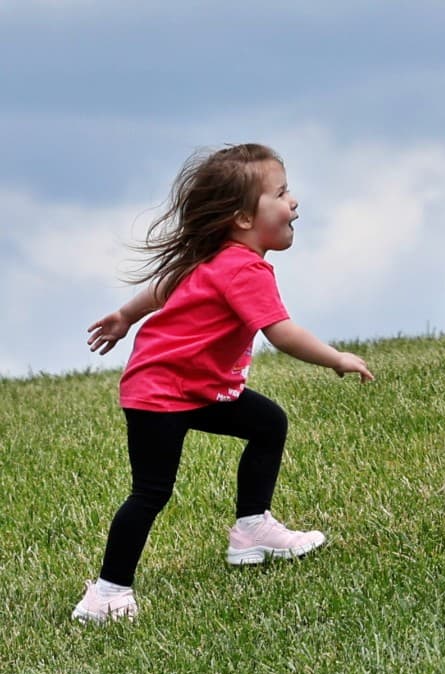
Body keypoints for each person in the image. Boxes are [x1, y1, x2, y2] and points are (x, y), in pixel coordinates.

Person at [72, 143, 375, 623]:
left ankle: (252, 529)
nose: (293, 202)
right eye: (280, 193)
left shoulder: (215, 257)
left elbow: (164, 285)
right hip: (160, 394)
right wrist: (335, 357)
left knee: (268, 423)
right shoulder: (242, 269)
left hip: (195, 388)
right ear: (242, 218)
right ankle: (107, 594)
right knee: (151, 492)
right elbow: (281, 332)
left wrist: (126, 316)